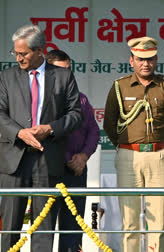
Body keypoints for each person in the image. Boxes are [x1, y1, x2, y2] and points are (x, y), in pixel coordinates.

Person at [0, 24, 82, 251]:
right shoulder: (6, 77)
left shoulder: (63, 77)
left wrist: (51, 128)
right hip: (13, 161)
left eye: (23, 53)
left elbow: (76, 114)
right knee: (10, 228)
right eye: (15, 53)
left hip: (48, 160)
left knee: (43, 229)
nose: (18, 58)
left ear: (40, 51)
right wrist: (20, 133)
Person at [103, 36, 164, 252]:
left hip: (160, 155)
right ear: (131, 60)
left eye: (150, 59)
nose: (146, 64)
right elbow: (110, 124)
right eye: (140, 59)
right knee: (130, 220)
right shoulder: (119, 86)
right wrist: (126, 147)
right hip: (129, 155)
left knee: (158, 223)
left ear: (156, 60)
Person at [45, 49, 100, 252]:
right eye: (61, 71)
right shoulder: (42, 101)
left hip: (77, 172)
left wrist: (83, 156)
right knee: (45, 227)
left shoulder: (81, 99)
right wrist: (69, 158)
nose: (67, 76)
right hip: (50, 171)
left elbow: (93, 130)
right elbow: (48, 134)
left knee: (73, 230)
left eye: (69, 71)